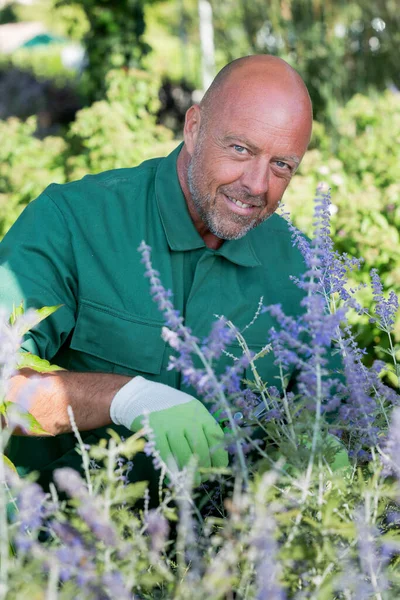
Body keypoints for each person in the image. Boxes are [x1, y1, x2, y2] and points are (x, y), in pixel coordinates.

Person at [0, 55, 313, 492]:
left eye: (282, 165)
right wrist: (124, 398)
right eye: (240, 149)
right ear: (193, 128)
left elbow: (327, 413)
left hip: (230, 546)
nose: (258, 185)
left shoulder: (299, 265)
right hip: (61, 540)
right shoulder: (71, 222)